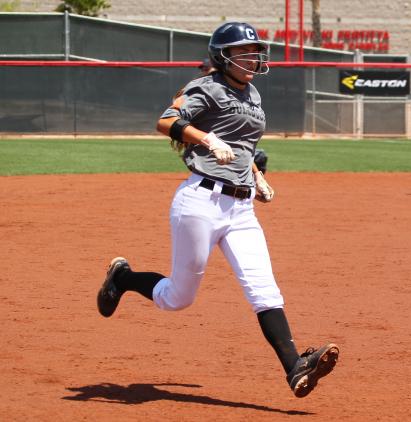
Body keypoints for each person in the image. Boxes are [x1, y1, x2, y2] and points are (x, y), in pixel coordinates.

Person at [96, 21, 338, 398]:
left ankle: (295, 367)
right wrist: (207, 138)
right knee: (178, 298)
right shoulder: (206, 87)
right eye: (244, 52)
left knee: (264, 290)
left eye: (256, 51)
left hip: (241, 208)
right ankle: (122, 278)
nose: (253, 57)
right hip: (200, 202)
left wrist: (257, 176)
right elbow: (166, 121)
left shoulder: (253, 95)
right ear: (223, 56)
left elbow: (241, 145)